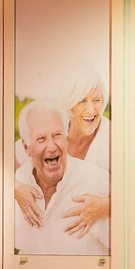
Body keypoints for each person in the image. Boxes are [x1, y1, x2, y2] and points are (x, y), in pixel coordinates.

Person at [13, 100, 109, 255]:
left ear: (66, 137)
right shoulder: (19, 181)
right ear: (26, 147)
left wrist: (107, 206)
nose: (51, 147)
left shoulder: (95, 181)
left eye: (57, 135)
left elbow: (128, 234)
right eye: (41, 139)